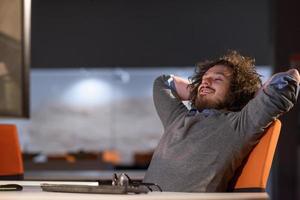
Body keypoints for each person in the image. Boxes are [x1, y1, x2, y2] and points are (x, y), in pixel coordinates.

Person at [143, 51, 300, 192]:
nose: (206, 81)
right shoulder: (177, 117)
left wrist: (249, 96)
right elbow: (162, 83)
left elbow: (288, 80)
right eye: (204, 79)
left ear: (236, 91)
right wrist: (201, 89)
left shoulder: (240, 124)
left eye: (217, 79)